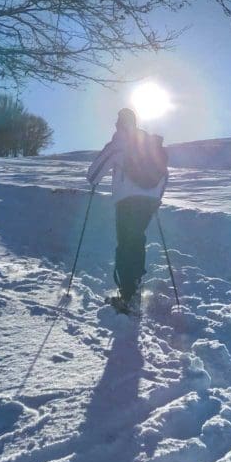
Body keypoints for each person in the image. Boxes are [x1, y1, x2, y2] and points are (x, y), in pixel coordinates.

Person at [87, 108, 168, 314]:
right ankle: (135, 287)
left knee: (125, 244)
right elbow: (164, 174)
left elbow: (94, 173)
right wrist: (155, 198)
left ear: (119, 124)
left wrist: (94, 182)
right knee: (137, 240)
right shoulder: (149, 144)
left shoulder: (119, 142)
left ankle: (127, 296)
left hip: (127, 202)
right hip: (149, 202)